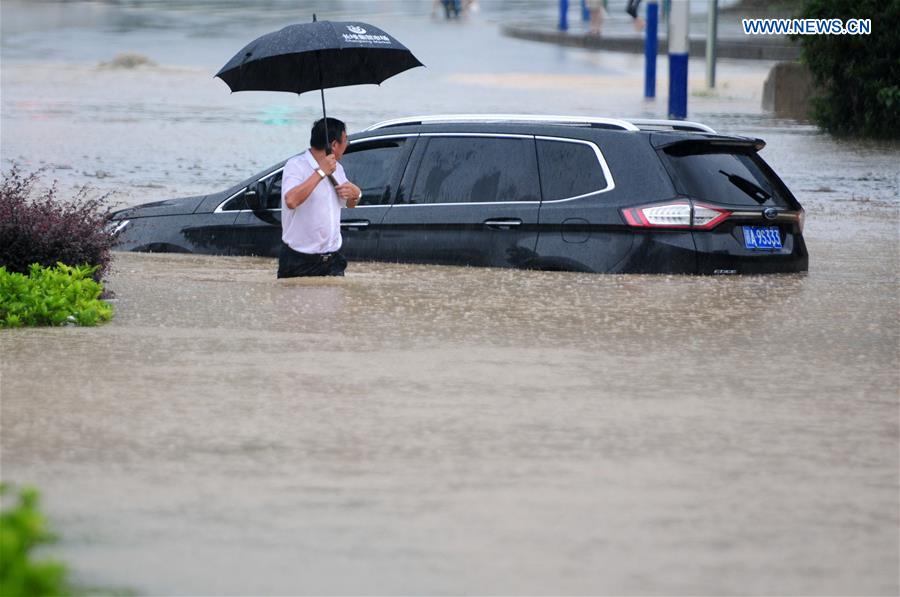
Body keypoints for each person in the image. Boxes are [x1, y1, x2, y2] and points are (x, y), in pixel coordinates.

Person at [277, 117, 362, 278]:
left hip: (333, 260)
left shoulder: (338, 169)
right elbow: (291, 201)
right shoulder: (296, 166)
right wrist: (321, 172)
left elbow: (350, 203)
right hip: (299, 261)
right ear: (334, 145)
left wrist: (356, 193)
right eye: (345, 140)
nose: (347, 144)